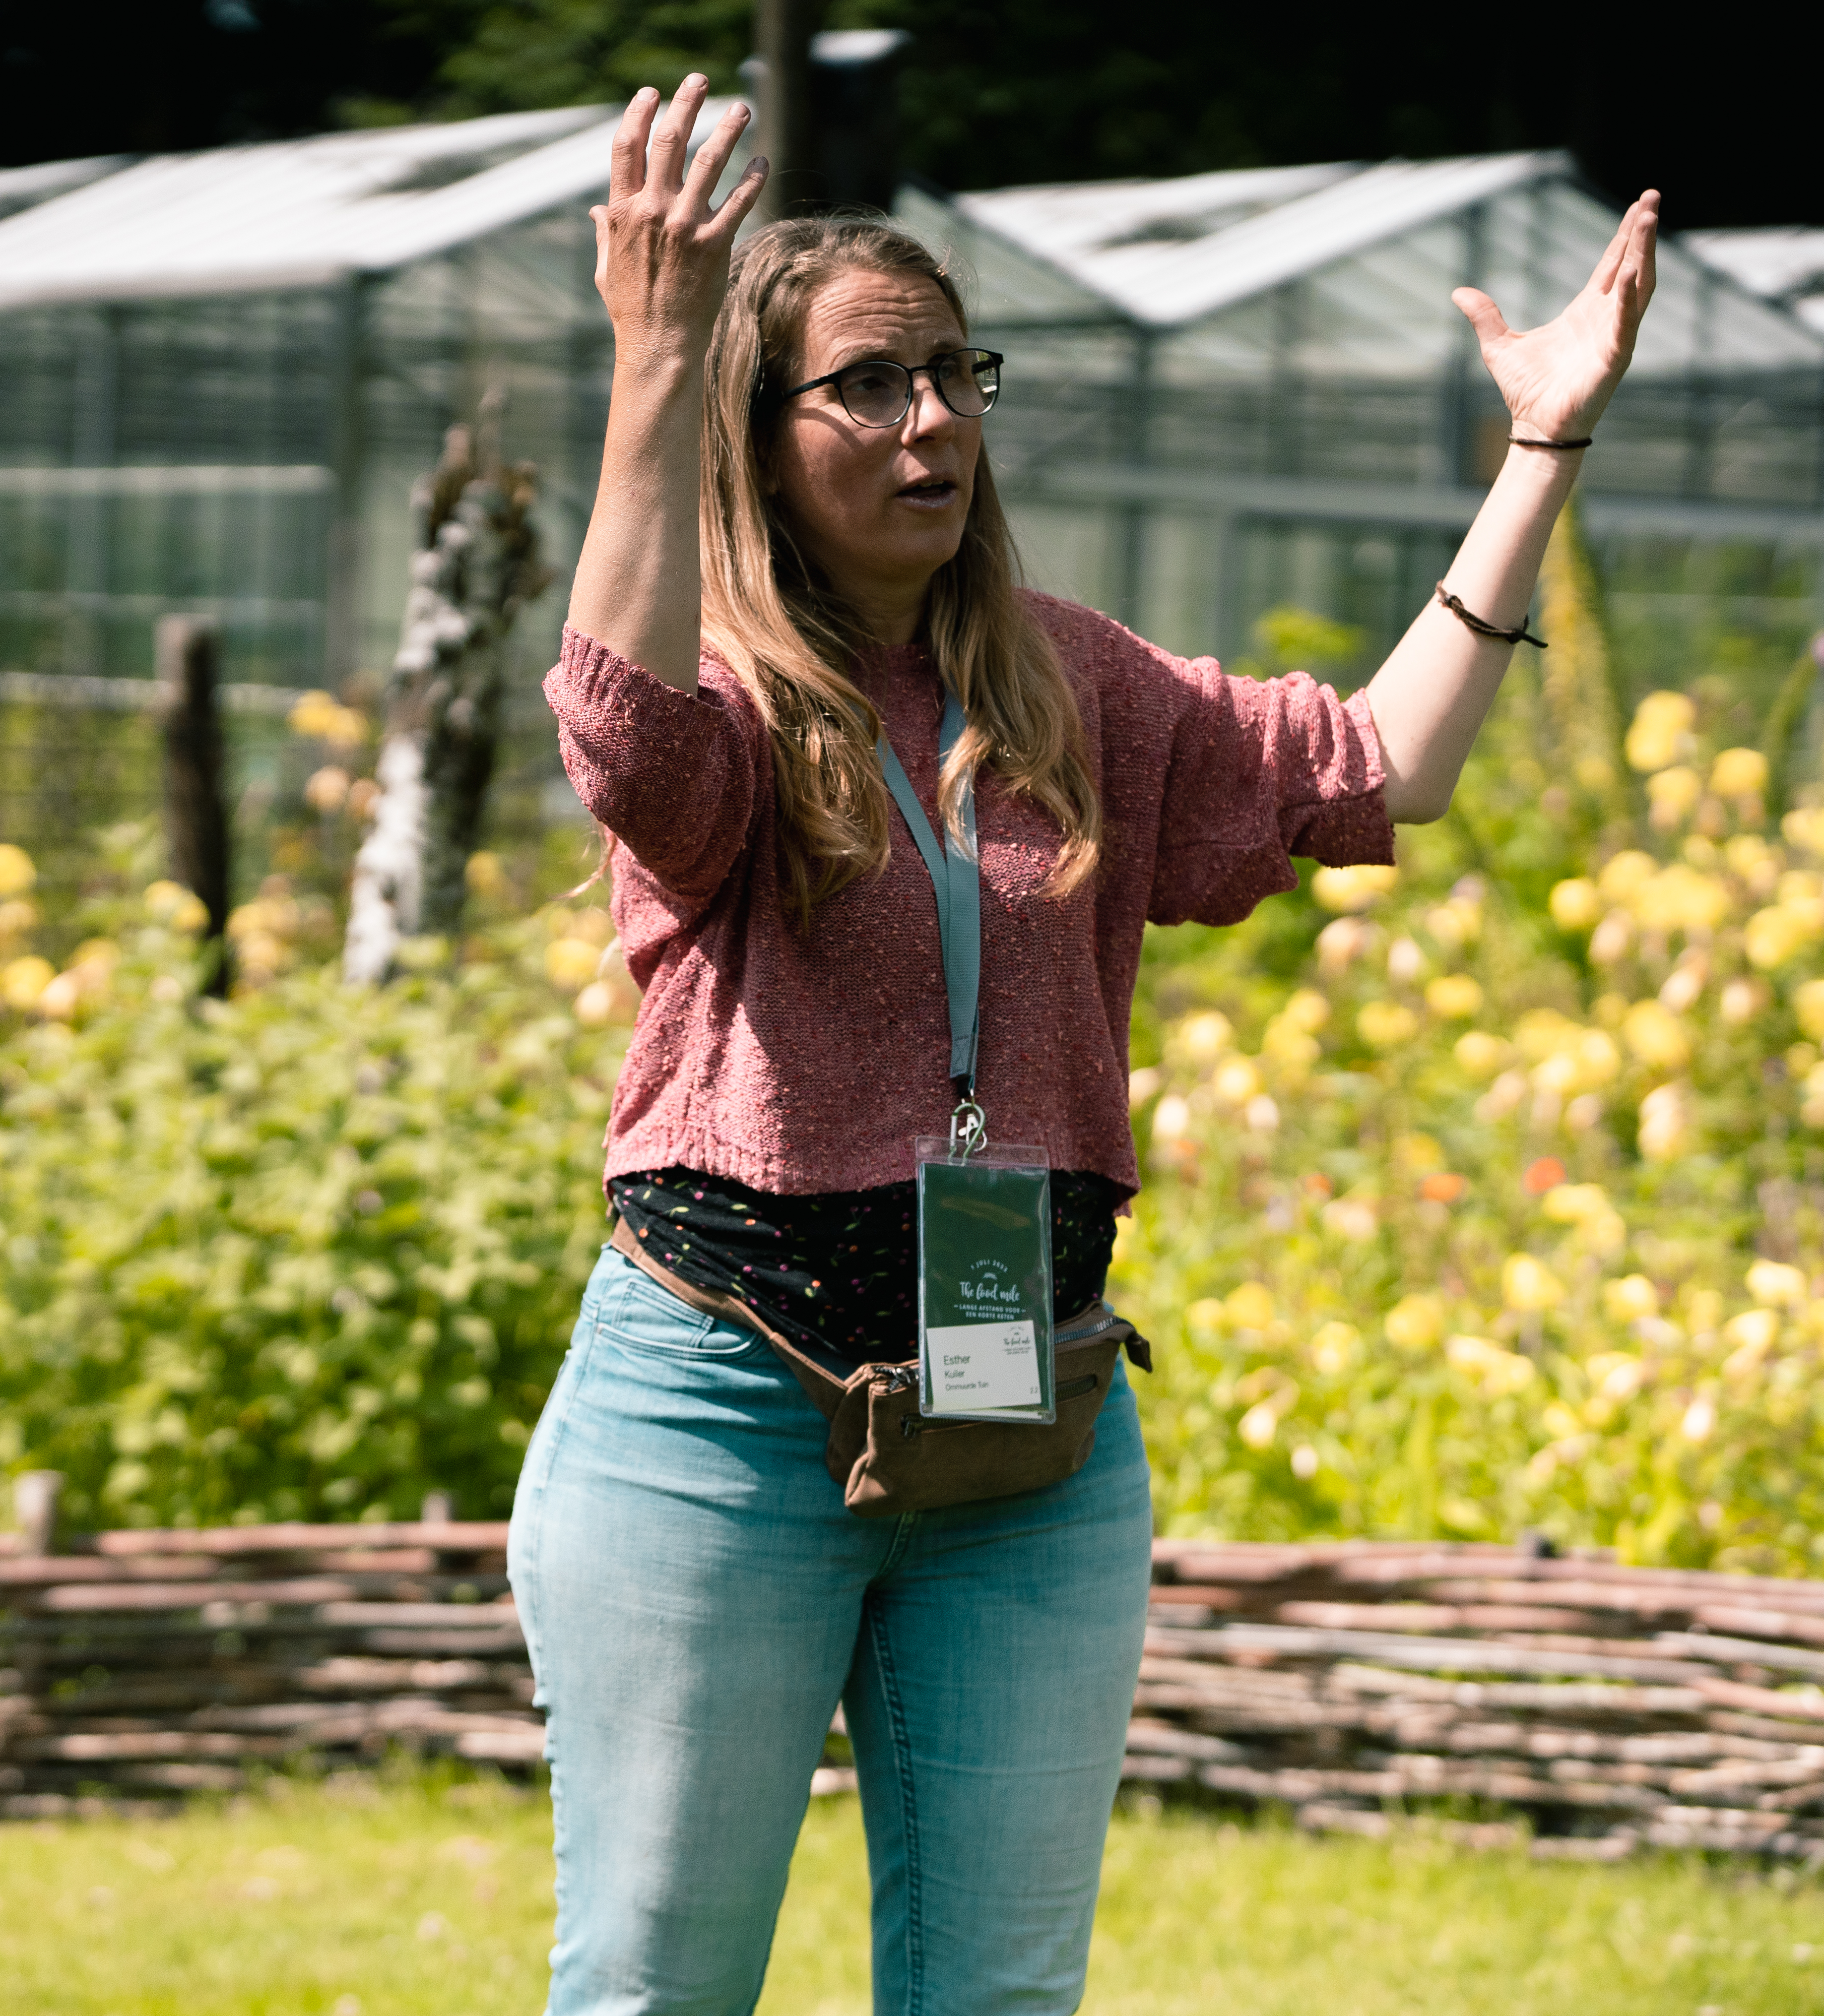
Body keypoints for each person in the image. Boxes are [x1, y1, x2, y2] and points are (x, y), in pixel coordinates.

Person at [506, 76, 1657, 2014]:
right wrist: (655, 352)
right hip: (718, 1408)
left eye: (957, 372)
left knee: (999, 1996)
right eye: (869, 386)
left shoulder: (1077, 681)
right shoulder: (717, 689)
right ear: (762, 441)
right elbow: (618, 739)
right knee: (655, 1988)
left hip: (1023, 1420)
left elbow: (1389, 765)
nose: (933, 419)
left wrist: (1545, 438)